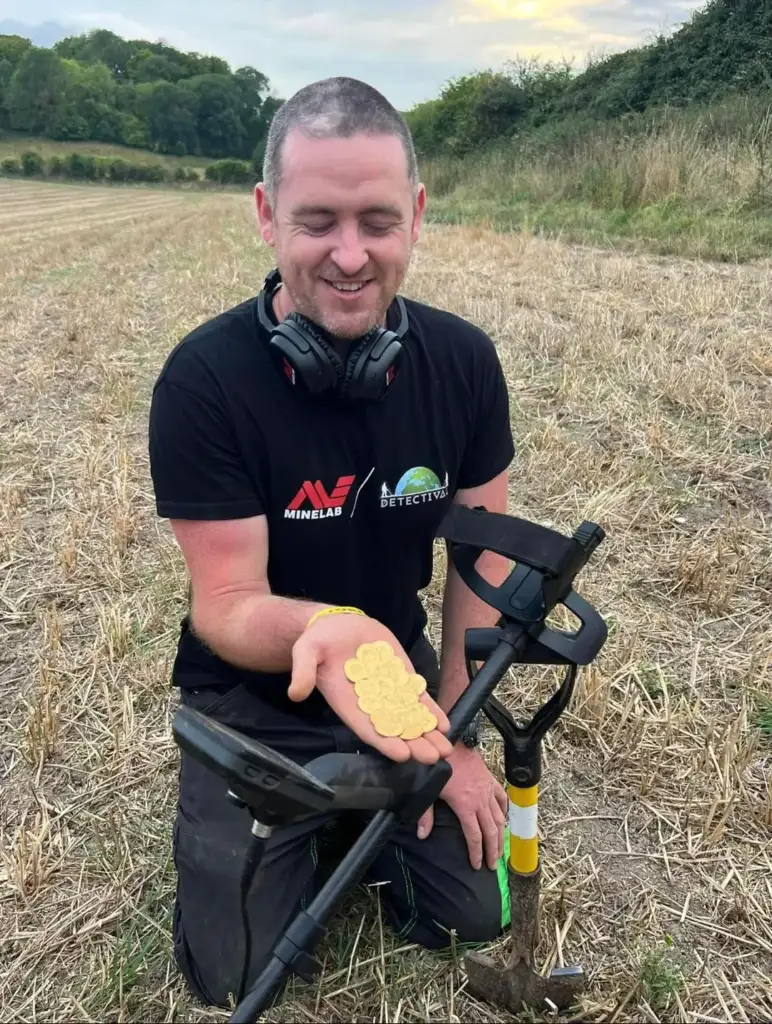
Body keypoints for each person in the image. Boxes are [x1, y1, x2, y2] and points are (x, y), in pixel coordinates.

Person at [147, 76, 516, 1010]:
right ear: (266, 215)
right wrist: (326, 627)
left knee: (473, 914)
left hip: (392, 683)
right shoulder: (205, 381)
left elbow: (483, 568)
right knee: (232, 974)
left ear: (418, 216)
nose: (350, 255)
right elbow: (226, 607)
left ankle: (352, 804)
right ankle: (299, 811)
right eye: (318, 221)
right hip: (252, 693)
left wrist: (451, 727)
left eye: (377, 221)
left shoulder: (464, 363)